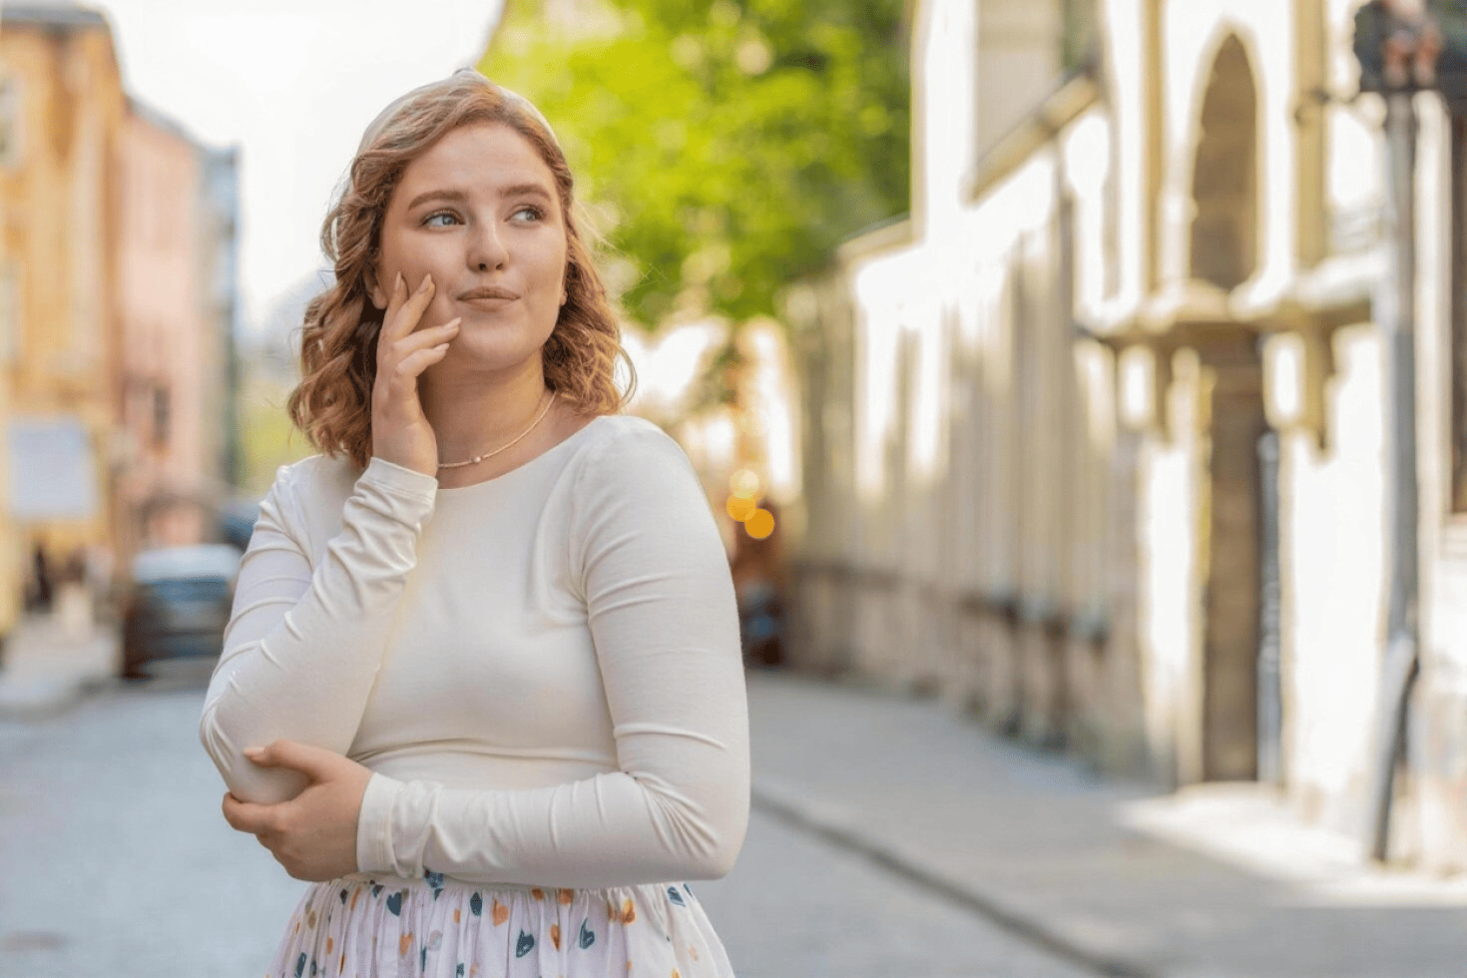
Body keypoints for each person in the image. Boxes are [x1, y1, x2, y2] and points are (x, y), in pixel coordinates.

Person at [199, 71, 749, 978]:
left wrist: (384, 822)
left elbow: (693, 819)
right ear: (376, 272)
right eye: (444, 217)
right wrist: (393, 492)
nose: (491, 250)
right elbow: (260, 770)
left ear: (564, 258)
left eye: (526, 214)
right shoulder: (310, 503)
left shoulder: (621, 477)